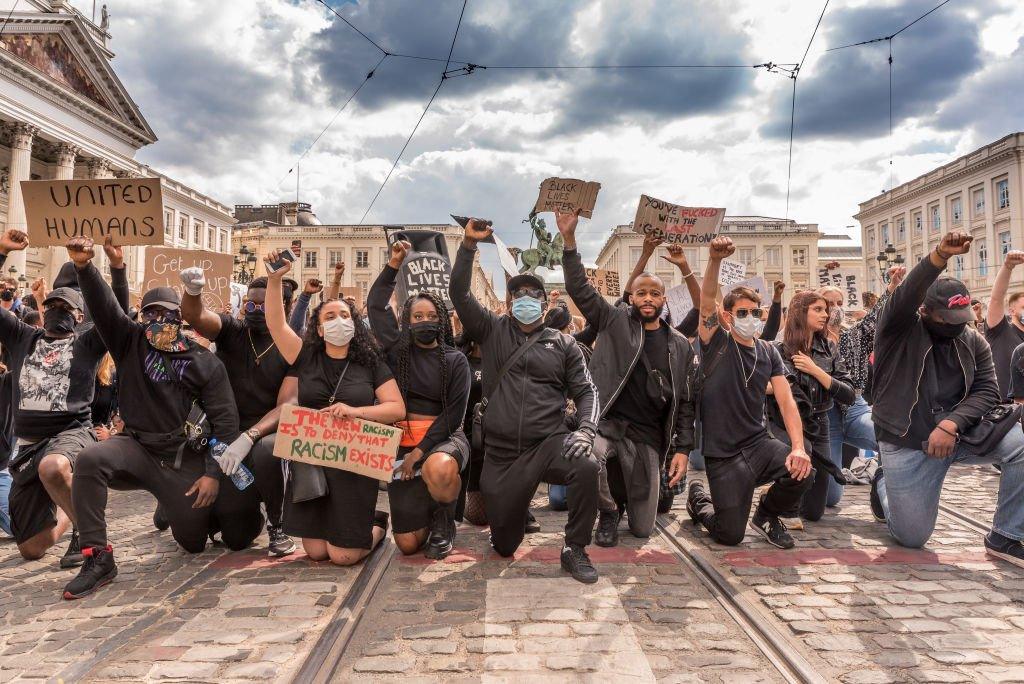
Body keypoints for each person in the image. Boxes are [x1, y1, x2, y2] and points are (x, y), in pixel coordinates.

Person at [64, 237, 241, 599]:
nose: (159, 320)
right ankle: (97, 556)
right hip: (138, 448)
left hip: (181, 458)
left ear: (181, 319)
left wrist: (211, 474)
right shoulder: (130, 342)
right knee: (90, 459)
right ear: (142, 317)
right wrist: (85, 267)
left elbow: (226, 424)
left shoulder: (203, 361)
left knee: (192, 543)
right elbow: (105, 309)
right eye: (151, 313)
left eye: (168, 314)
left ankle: (172, 505)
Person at [450, 219, 601, 583]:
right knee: (504, 545)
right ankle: (514, 515)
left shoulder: (564, 344)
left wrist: (586, 430)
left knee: (587, 466)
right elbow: (459, 295)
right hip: (501, 455)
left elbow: (586, 391)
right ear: (510, 302)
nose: (526, 300)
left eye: (534, 294)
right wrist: (469, 245)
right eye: (519, 295)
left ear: (545, 301)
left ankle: (575, 548)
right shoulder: (492, 329)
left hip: (548, 443)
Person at [871, 231, 1024, 563]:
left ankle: (1006, 534)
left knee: (1021, 445)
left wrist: (951, 424)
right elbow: (908, 293)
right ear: (926, 311)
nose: (958, 325)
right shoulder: (898, 328)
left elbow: (988, 390)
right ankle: (883, 481)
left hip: (959, 434)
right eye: (948, 319)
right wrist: (939, 255)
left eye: (963, 318)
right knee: (911, 537)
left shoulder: (972, 340)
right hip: (908, 441)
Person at [558, 211, 695, 547]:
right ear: (631, 298)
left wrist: (683, 449)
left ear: (664, 300)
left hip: (648, 436)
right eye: (641, 293)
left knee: (642, 529)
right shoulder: (614, 321)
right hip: (607, 424)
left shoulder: (678, 343)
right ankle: (607, 510)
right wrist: (569, 240)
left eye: (654, 293)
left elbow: (687, 401)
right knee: (589, 456)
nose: (647, 298)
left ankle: (636, 502)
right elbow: (579, 288)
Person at [262, 249, 404, 565]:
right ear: (320, 328)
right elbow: (276, 324)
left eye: (344, 315)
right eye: (329, 316)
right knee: (315, 553)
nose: (338, 320)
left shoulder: (370, 363)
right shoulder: (306, 356)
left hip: (354, 464)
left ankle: (377, 525)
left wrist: (355, 412)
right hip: (314, 462)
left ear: (354, 324)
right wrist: (274, 280)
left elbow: (396, 408)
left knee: (343, 556)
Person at [0, 230, 128, 568]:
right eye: (52, 304)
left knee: (53, 467)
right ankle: (73, 514)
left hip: (71, 433)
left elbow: (117, 314)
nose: (57, 309)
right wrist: (2, 252)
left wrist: (116, 267)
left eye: (65, 306)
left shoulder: (87, 345)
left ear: (80, 316)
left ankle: (95, 542)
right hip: (28, 444)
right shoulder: (21, 338)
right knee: (31, 548)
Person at [685, 236, 813, 549]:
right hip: (723, 455)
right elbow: (705, 303)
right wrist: (714, 260)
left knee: (803, 470)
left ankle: (767, 515)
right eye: (743, 313)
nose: (750, 319)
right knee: (730, 535)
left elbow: (786, 401)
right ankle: (699, 502)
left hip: (759, 444)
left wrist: (797, 447)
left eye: (755, 313)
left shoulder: (768, 351)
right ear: (727, 317)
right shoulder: (717, 342)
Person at [178, 269, 298, 556]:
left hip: (265, 434)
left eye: (263, 305)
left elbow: (289, 404)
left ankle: (277, 523)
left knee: (265, 452)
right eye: (250, 304)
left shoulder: (292, 344)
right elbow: (197, 317)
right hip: (224, 433)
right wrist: (193, 291)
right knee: (234, 537)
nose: (255, 310)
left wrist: (251, 435)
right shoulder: (233, 330)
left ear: (286, 307)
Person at [367, 240, 471, 559]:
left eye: (430, 315)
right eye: (417, 316)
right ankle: (407, 513)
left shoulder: (455, 361)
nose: (424, 321)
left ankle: (444, 518)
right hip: (402, 447)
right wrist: (394, 264)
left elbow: (454, 417)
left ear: (441, 319)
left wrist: (421, 453)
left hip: (443, 441)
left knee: (438, 469)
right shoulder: (398, 351)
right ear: (408, 322)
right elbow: (375, 306)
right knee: (409, 545)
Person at [824, 267, 903, 507]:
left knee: (891, 438)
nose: (834, 308)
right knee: (831, 497)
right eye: (828, 303)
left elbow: (875, 318)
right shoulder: (805, 337)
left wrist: (892, 288)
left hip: (855, 406)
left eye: (839, 302)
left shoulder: (854, 334)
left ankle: (881, 482)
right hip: (825, 413)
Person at [774, 291, 854, 522]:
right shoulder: (779, 349)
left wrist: (815, 370)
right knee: (797, 485)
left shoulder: (829, 347)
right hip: (788, 424)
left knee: (814, 512)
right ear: (800, 312)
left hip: (821, 422)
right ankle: (780, 496)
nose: (825, 314)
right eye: (817, 309)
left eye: (825, 310)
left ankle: (783, 493)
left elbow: (848, 394)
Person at [985, 251, 1024, 399]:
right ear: (1012, 310)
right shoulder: (1000, 331)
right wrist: (1008, 266)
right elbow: (996, 299)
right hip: (1004, 413)